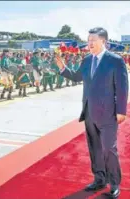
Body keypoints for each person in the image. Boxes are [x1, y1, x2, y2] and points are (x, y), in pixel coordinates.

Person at [55, 27, 129, 198]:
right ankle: (99, 179)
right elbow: (76, 77)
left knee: (109, 149)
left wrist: (121, 111)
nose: (89, 44)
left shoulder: (115, 61)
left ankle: (114, 183)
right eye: (88, 41)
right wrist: (62, 68)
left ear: (103, 41)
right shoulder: (87, 60)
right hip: (89, 112)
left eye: (93, 41)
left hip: (109, 114)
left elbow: (122, 88)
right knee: (94, 148)